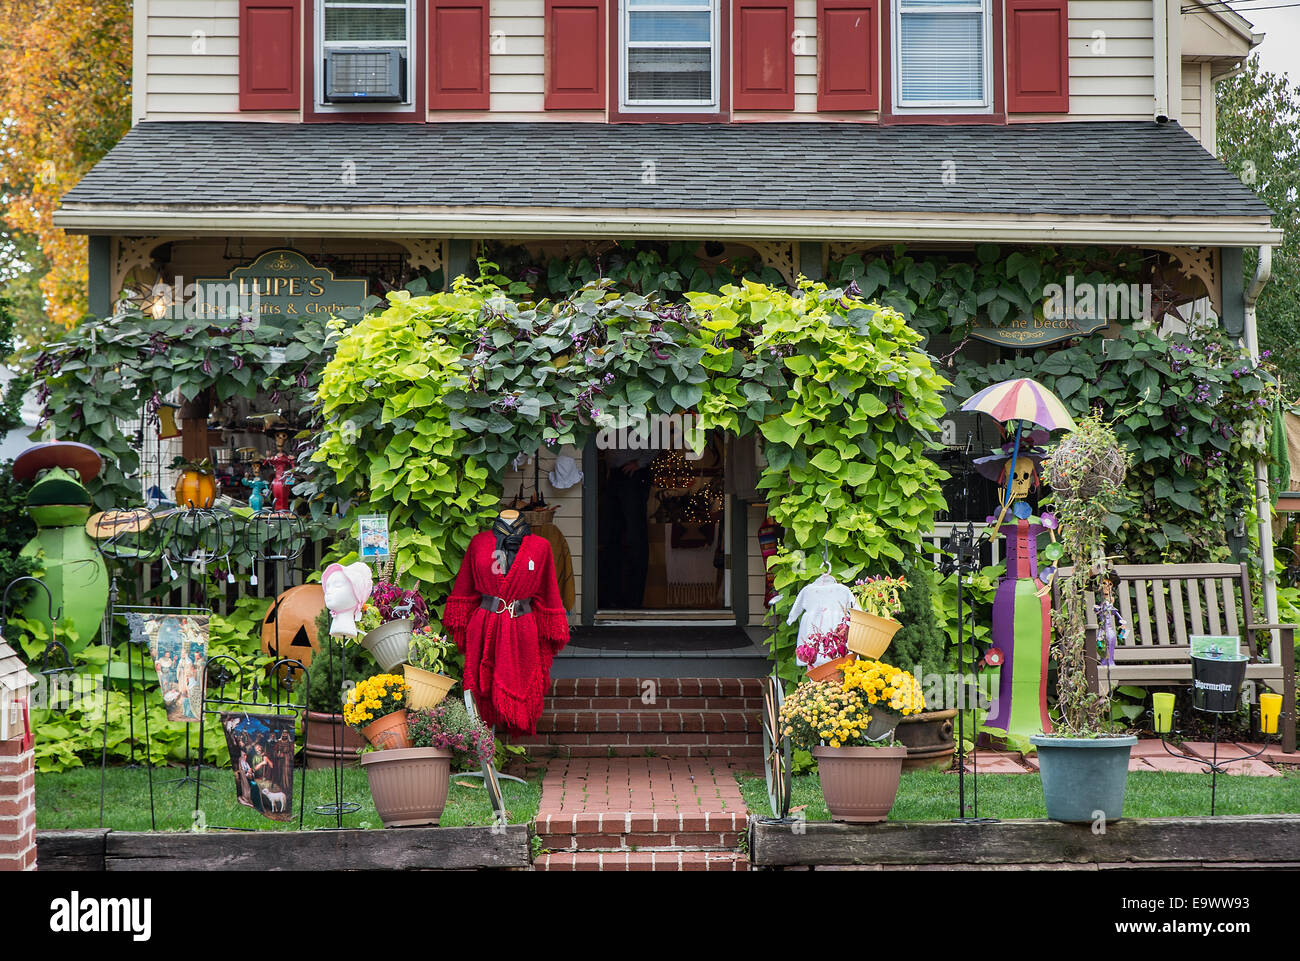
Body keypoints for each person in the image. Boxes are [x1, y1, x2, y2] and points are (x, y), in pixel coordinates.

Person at [601, 448, 654, 608]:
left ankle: (633, 599)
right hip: (615, 473)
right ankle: (614, 596)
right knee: (613, 538)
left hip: (633, 473)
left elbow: (661, 434)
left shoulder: (646, 422)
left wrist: (641, 462)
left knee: (634, 538)